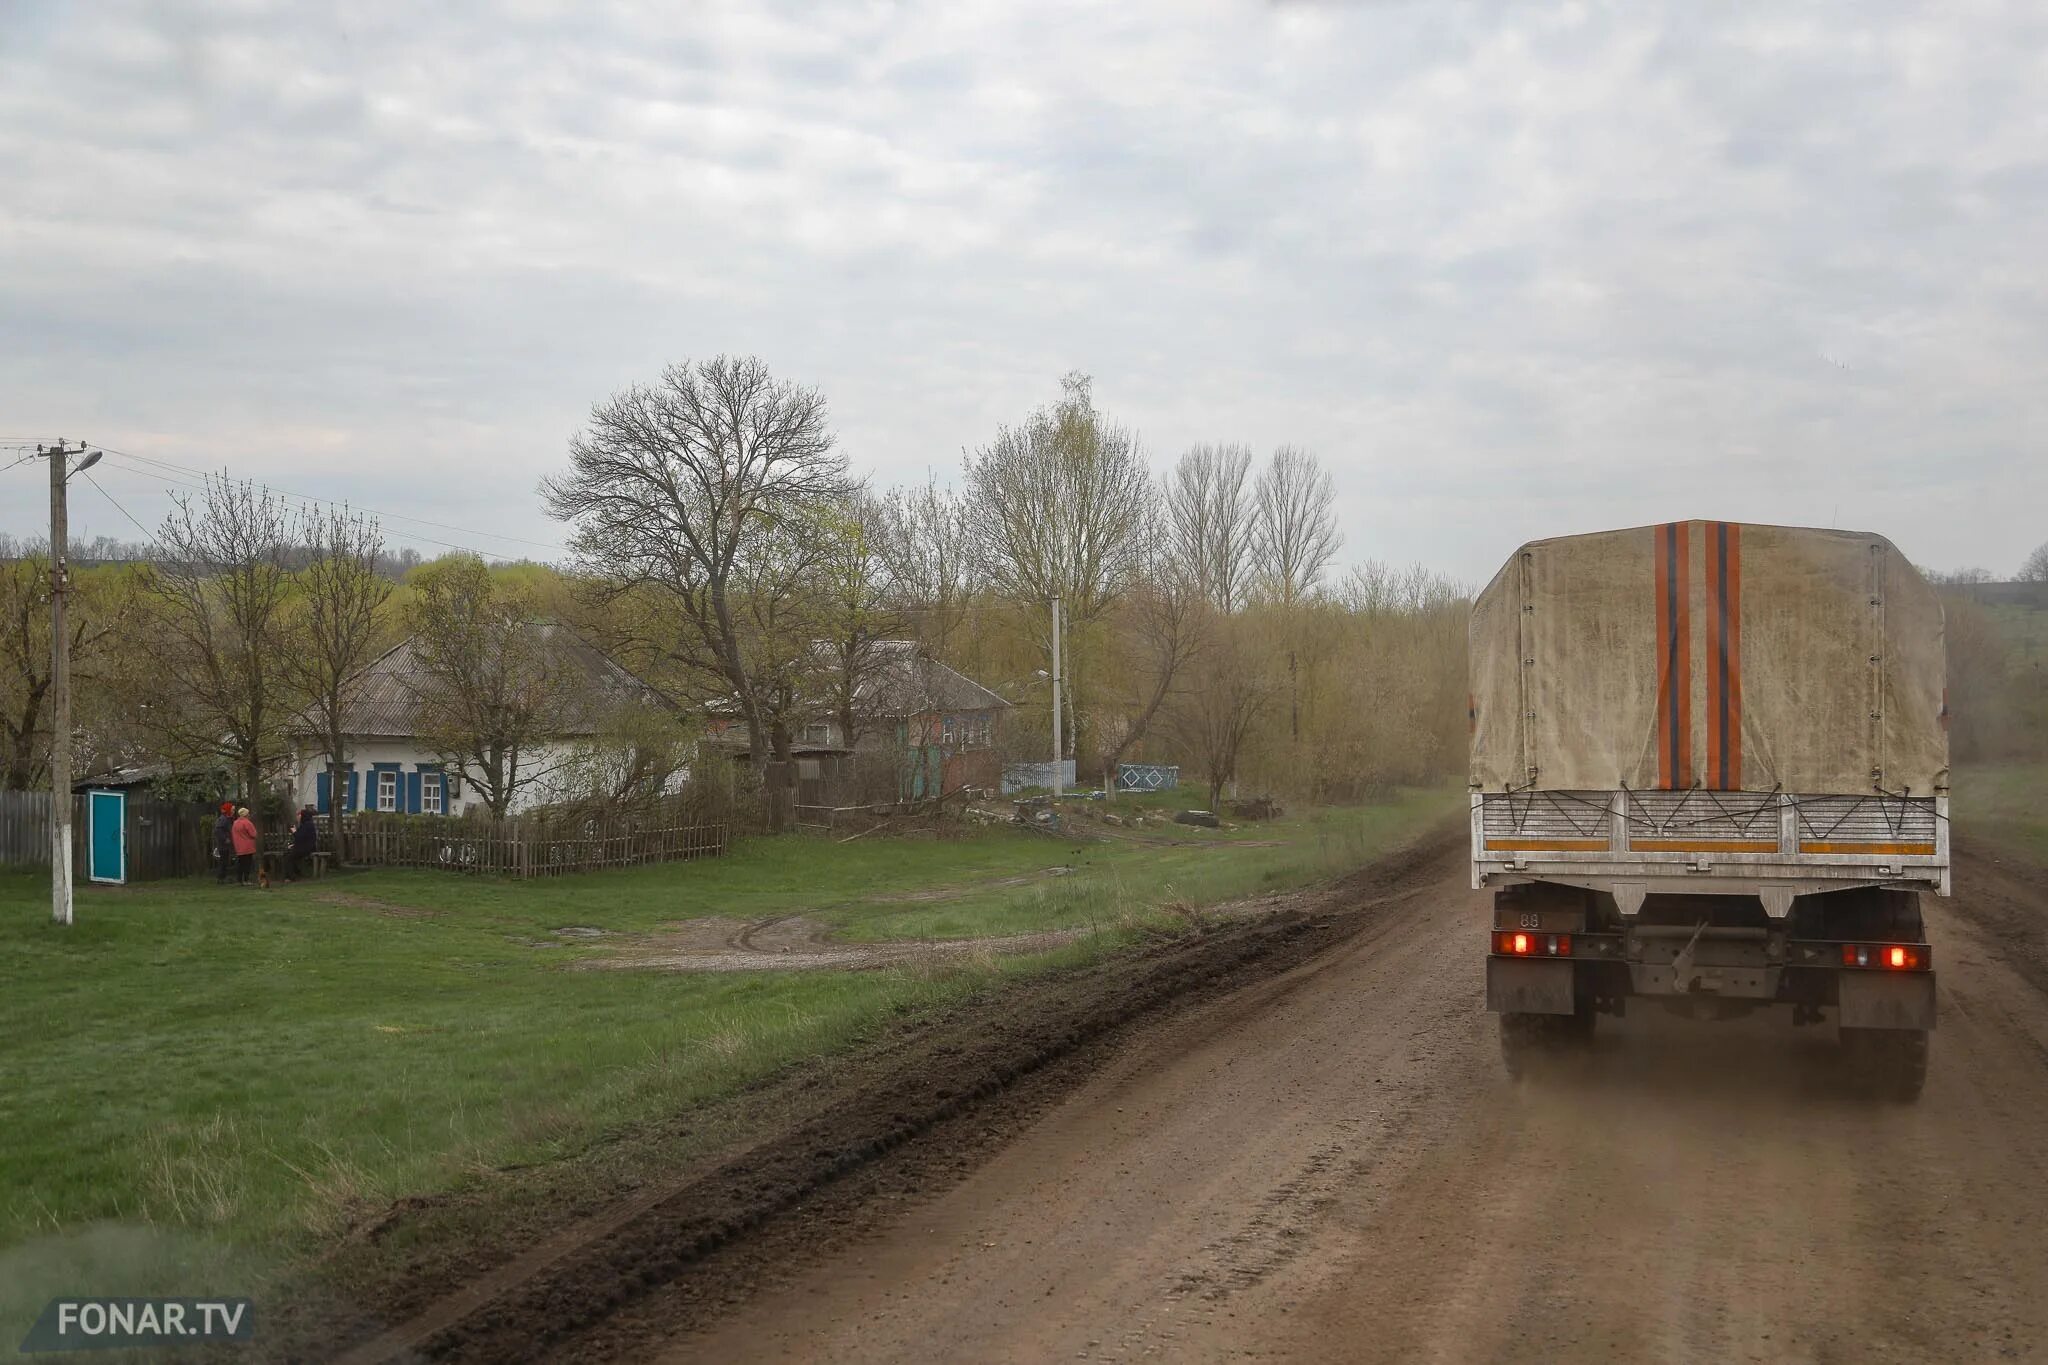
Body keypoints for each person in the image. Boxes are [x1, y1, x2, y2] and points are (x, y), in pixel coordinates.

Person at [286, 806, 317, 882]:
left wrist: (294, 831)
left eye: (299, 815)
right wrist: (293, 845)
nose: (298, 817)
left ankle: (291, 877)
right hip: (306, 846)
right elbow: (302, 839)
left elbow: (299, 837)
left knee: (289, 858)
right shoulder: (307, 824)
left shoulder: (306, 825)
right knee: (290, 855)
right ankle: (296, 873)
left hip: (306, 848)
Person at [231, 806, 259, 886]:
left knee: (240, 864)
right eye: (248, 813)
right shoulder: (247, 823)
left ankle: (239, 880)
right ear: (246, 815)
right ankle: (246, 880)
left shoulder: (235, 823)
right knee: (247, 864)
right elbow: (253, 834)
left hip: (239, 847)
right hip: (248, 846)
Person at [212, 801, 235, 884]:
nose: (233, 811)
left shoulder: (227, 818)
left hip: (226, 845)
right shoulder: (223, 819)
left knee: (225, 861)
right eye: (232, 810)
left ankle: (222, 878)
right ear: (228, 810)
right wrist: (225, 839)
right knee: (223, 862)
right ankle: (220, 878)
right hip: (223, 845)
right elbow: (218, 830)